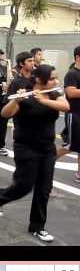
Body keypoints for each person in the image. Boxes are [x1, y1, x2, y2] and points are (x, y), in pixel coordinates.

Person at [0, 65, 69, 242]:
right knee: (24, 186)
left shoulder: (53, 94)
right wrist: (16, 100)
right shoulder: (24, 95)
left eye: (56, 78)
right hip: (26, 147)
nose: (56, 81)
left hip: (47, 149)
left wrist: (44, 100)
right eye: (52, 79)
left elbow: (65, 106)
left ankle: (37, 226)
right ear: (39, 80)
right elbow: (5, 114)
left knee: (44, 189)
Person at [56, 46, 80, 183]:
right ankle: (46, 161)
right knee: (71, 145)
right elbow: (70, 93)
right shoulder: (72, 73)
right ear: (77, 57)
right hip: (75, 114)